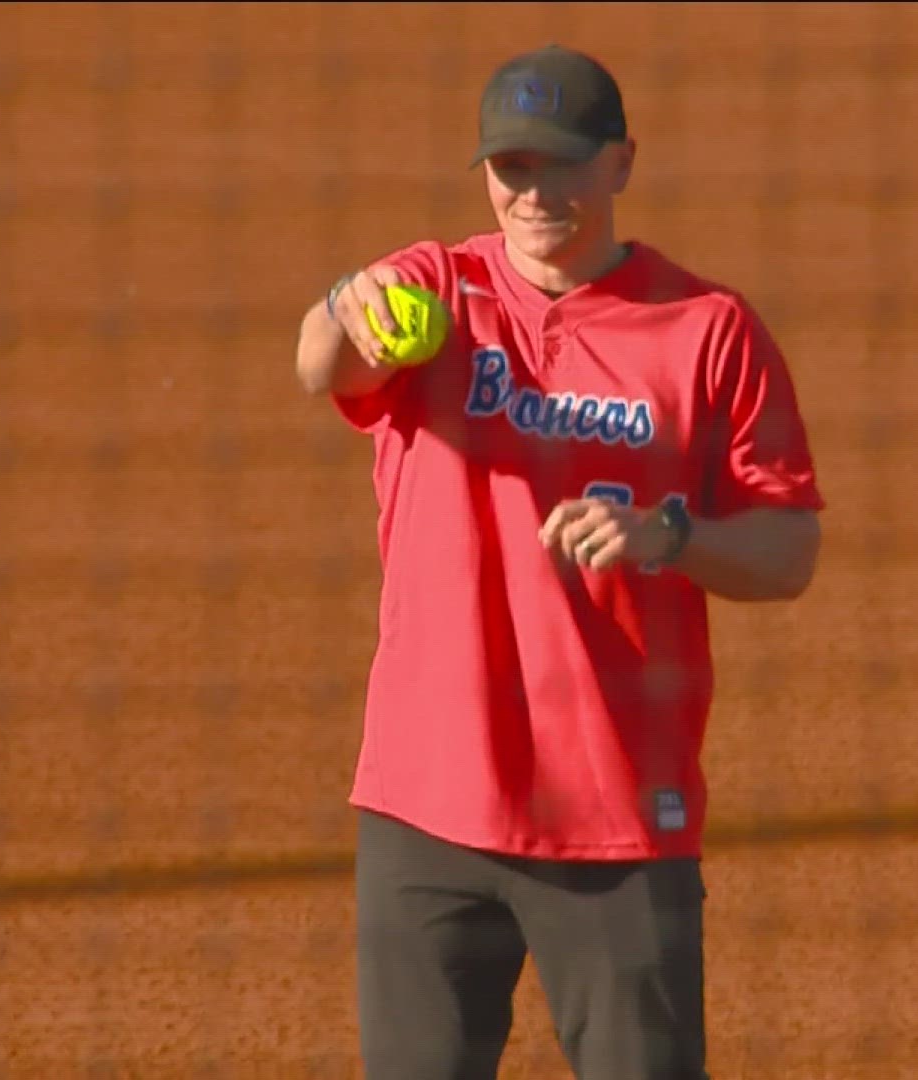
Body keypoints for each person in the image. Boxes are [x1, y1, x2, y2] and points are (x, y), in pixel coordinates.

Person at [293, 44, 827, 1080]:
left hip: (618, 815)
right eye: (513, 169)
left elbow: (789, 549)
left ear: (622, 162)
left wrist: (671, 537)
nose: (536, 195)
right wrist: (344, 302)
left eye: (565, 166)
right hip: (428, 809)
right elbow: (323, 361)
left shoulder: (707, 332)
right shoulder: (438, 286)